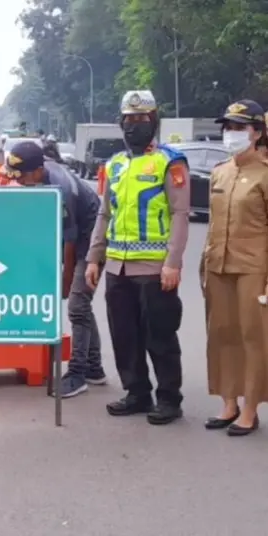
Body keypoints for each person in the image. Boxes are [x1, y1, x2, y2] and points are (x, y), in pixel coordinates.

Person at [85, 90, 190, 425]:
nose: (134, 126)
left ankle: (169, 399)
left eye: (141, 120)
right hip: (118, 266)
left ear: (153, 122)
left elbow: (180, 214)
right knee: (124, 335)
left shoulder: (170, 161)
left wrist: (172, 262)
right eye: (128, 120)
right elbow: (104, 214)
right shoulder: (114, 165)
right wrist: (93, 259)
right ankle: (137, 393)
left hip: (154, 267)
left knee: (159, 335)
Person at [1, 142, 105, 397]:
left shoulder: (61, 189)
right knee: (82, 306)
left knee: (77, 304)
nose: (19, 182)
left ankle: (77, 375)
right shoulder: (39, 175)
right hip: (72, 233)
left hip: (91, 237)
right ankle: (94, 368)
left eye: (22, 177)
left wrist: (66, 281)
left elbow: (70, 242)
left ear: (37, 171)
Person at [200, 99, 268, 436]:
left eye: (239, 127)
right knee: (222, 335)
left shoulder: (265, 174)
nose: (232, 133)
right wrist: (204, 264)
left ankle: (250, 409)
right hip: (218, 265)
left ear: (256, 133)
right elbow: (212, 223)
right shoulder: (220, 171)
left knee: (252, 338)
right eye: (227, 127)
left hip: (254, 268)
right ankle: (228, 403)